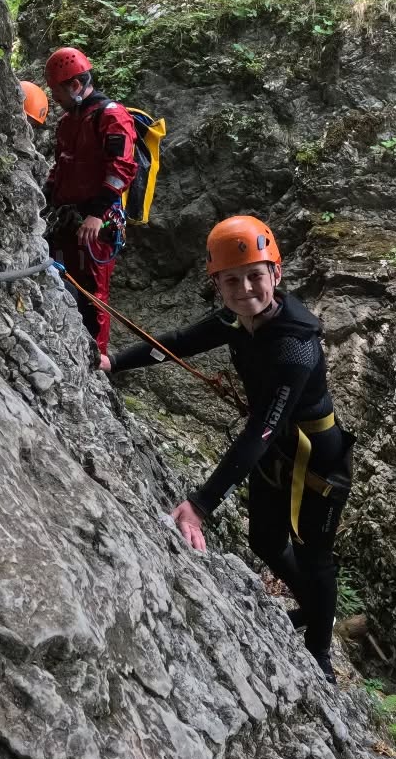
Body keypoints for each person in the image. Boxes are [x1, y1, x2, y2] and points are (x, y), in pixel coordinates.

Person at [106, 216, 353, 683]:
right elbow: (177, 344)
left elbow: (260, 428)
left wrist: (199, 505)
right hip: (277, 446)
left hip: (315, 453)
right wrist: (113, 361)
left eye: (255, 276)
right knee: (264, 538)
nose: (245, 289)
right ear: (217, 282)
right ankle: (314, 607)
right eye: (232, 280)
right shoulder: (235, 321)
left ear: (275, 275)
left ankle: (320, 651)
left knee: (316, 555)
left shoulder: (295, 346)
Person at [42, 47, 138, 357]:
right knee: (62, 278)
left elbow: (122, 167)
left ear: (74, 85)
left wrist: (97, 214)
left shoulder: (111, 116)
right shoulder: (69, 122)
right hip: (68, 218)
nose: (54, 98)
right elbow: (62, 165)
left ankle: (96, 358)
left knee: (93, 293)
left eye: (56, 91)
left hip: (97, 222)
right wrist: (45, 197)